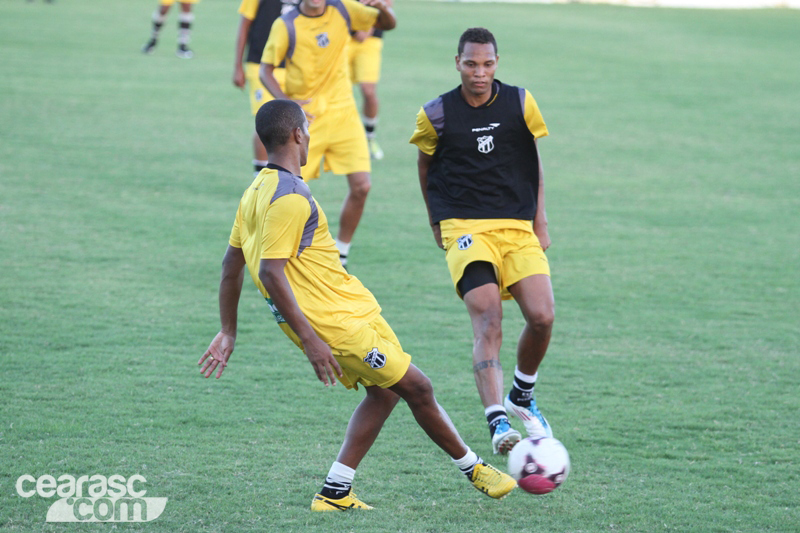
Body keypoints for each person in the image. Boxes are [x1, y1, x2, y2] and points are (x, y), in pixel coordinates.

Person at [199, 99, 517, 511]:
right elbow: (273, 274)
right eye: (307, 129)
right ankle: (474, 469)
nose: (310, 135)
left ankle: (335, 491)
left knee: (384, 393)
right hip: (333, 325)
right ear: (297, 134)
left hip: (349, 310)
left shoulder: (256, 190)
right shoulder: (289, 198)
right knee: (417, 386)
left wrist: (228, 329)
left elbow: (231, 265)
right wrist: (311, 339)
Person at [409, 28, 556, 455]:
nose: (479, 73)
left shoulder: (521, 103)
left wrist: (540, 220)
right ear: (457, 62)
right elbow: (425, 166)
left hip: (516, 225)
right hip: (464, 225)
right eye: (471, 64)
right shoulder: (435, 113)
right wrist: (436, 220)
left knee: (543, 316)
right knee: (488, 316)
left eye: (487, 64)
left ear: (497, 63)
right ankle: (497, 421)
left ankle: (521, 395)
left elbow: (535, 163)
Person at [258, 0, 395, 268]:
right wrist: (288, 103)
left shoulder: (343, 9)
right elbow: (266, 70)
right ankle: (274, 256)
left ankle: (341, 253)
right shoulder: (286, 25)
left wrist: (384, 8)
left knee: (362, 186)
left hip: (344, 115)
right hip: (307, 122)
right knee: (291, 193)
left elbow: (386, 24)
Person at [233, 0, 299, 176]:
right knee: (267, 121)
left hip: (296, 67)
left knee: (294, 125)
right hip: (260, 64)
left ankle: (287, 176)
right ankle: (260, 176)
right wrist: (238, 66)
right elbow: (244, 24)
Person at [347, 0, 392, 161]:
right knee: (336, 89)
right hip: (340, 33)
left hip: (370, 38)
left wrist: (369, 26)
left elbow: (387, 3)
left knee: (368, 90)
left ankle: (369, 138)